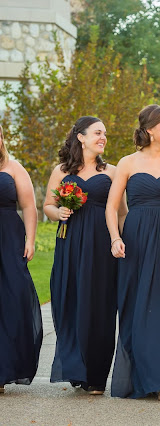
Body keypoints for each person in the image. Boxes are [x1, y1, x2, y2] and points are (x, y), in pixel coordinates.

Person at [106, 105, 160, 401]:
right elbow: (112, 207)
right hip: (137, 238)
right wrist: (115, 238)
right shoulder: (127, 163)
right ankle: (142, 376)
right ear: (150, 129)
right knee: (137, 304)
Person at [43, 116, 126, 395]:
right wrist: (58, 212)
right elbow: (47, 205)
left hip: (102, 245)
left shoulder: (112, 171)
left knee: (101, 304)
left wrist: (122, 240)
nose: (103, 138)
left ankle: (97, 376)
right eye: (97, 133)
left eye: (105, 134)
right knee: (71, 302)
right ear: (81, 137)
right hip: (70, 244)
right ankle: (77, 368)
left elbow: (121, 212)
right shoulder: (61, 171)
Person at [0, 124, 43, 394]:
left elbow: (28, 206)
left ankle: (6, 367)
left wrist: (30, 239)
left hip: (9, 239)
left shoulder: (14, 168)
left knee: (13, 297)